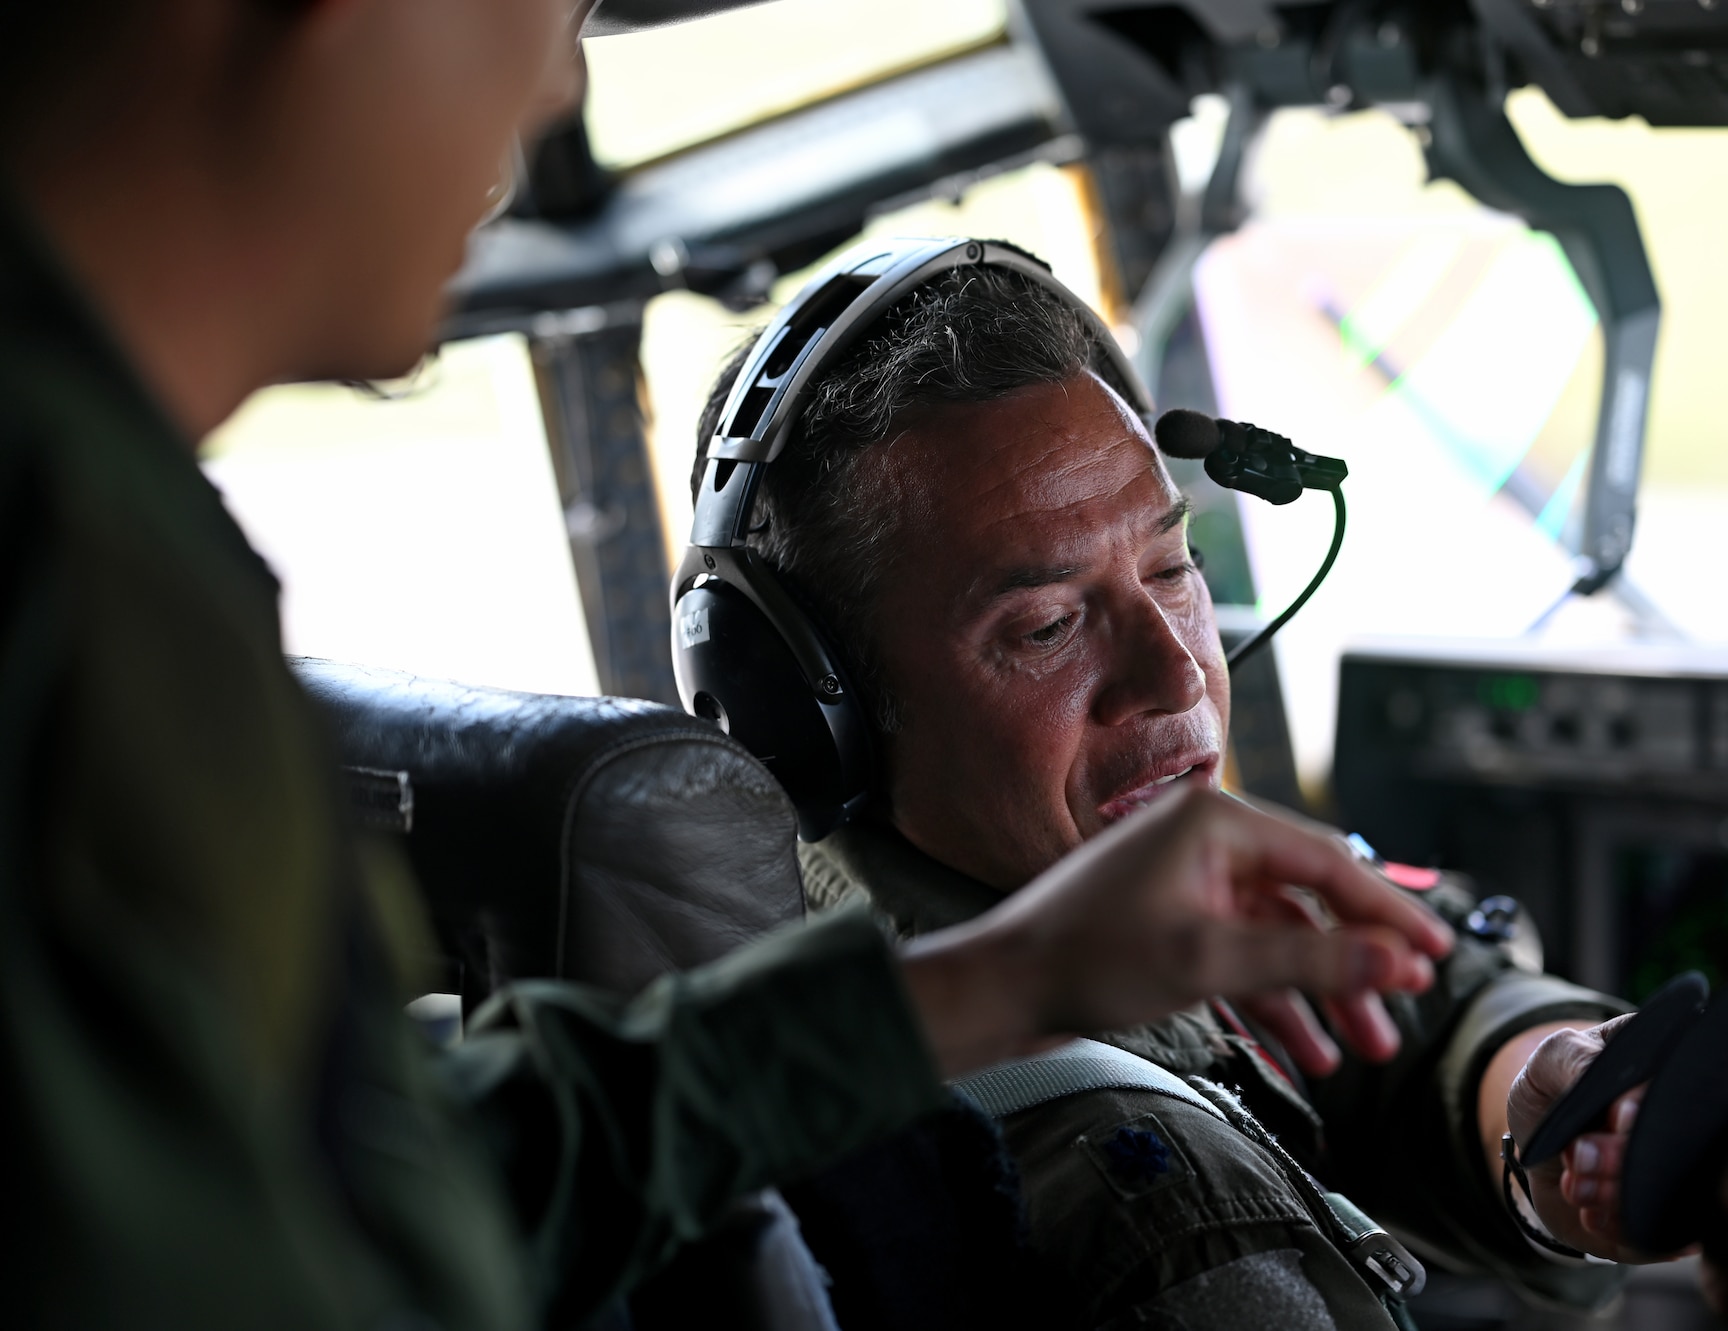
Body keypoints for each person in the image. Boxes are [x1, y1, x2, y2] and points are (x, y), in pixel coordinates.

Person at [0, 2, 1465, 1326]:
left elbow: (423, 1180)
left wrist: (1008, 978)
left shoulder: (114, 530)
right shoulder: (69, 584)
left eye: (1172, 565)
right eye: (544, 4)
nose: (557, 86)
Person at [691, 258, 1728, 1331]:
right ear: (815, 721)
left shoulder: (969, 908)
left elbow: (1378, 996)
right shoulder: (1144, 1198)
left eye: (1172, 563)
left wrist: (1534, 1086)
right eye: (1044, 625)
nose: (1176, 674)